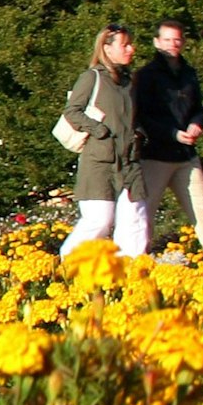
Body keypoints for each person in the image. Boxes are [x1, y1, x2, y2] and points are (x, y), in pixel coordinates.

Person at [131, 20, 203, 265]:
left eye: (177, 39)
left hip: (185, 156)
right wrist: (171, 133)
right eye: (167, 39)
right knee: (142, 215)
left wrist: (196, 124)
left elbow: (197, 108)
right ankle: (131, 266)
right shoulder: (146, 76)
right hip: (155, 155)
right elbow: (141, 117)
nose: (173, 44)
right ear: (156, 42)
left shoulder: (189, 73)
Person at [59, 24, 149, 258]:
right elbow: (72, 111)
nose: (132, 48)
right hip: (100, 161)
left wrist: (139, 134)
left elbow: (134, 116)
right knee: (99, 219)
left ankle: (128, 274)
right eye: (125, 44)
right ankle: (68, 263)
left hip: (130, 162)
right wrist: (98, 130)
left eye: (131, 43)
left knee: (135, 220)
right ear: (107, 49)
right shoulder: (92, 78)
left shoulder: (130, 82)